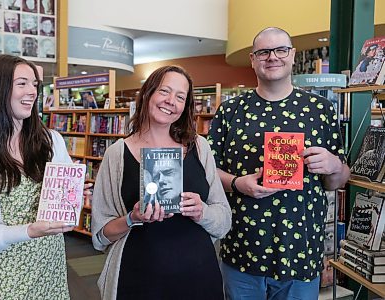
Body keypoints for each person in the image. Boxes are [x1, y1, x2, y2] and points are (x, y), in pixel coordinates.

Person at [208, 27, 350, 300]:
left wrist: (333, 165)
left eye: (280, 50)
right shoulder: (231, 110)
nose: (272, 57)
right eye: (263, 52)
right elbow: (208, 171)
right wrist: (238, 184)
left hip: (300, 251)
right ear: (252, 59)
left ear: (292, 55)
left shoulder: (320, 109)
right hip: (242, 247)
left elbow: (337, 181)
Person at [0, 55, 91, 299]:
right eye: (21, 83)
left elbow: (62, 213)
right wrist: (28, 231)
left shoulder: (51, 141)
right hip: (1, 281)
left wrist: (73, 197)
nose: (32, 91)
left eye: (35, 84)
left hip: (50, 274)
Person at [91, 65, 232, 300]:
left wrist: (202, 211)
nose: (170, 101)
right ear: (148, 93)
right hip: (138, 279)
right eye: (164, 91)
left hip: (199, 276)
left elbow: (224, 220)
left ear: (185, 107)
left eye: (180, 97)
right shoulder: (117, 154)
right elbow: (100, 235)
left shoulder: (199, 147)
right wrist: (132, 218)